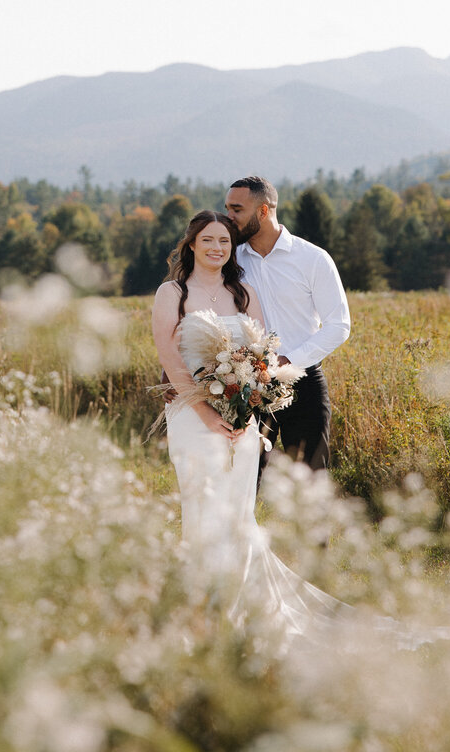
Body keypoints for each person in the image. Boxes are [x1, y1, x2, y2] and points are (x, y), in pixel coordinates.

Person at [152, 209, 344, 639]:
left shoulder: (243, 293)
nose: (217, 247)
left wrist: (251, 405)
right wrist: (206, 413)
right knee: (203, 506)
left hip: (242, 420)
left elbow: (261, 355)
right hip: (192, 416)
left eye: (224, 240)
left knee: (238, 511)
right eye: (208, 240)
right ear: (191, 244)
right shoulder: (173, 293)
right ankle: (202, 609)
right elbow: (169, 356)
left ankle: (239, 607)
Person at [225, 176, 350, 472]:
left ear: (263, 211)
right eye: (227, 209)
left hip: (303, 385)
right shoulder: (229, 261)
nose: (228, 217)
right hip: (246, 386)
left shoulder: (313, 259)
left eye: (237, 210)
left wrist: (290, 361)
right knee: (243, 477)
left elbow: (339, 325)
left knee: (310, 478)